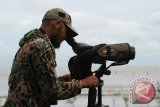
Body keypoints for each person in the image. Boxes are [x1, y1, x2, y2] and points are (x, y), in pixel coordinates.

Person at [3, 8, 99, 107]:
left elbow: (44, 84)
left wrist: (71, 76)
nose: (65, 37)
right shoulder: (42, 46)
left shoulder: (32, 42)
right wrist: (83, 83)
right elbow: (52, 91)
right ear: (57, 24)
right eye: (66, 32)